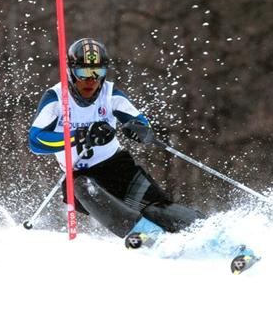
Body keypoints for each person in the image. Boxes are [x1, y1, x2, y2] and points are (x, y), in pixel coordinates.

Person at [28, 38, 204, 248]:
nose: (91, 81)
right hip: (79, 173)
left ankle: (206, 230)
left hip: (118, 168)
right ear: (70, 72)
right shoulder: (56, 98)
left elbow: (139, 121)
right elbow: (35, 141)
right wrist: (76, 137)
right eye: (83, 73)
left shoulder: (110, 94)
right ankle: (140, 233)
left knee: (155, 208)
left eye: (98, 73)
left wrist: (138, 130)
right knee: (81, 187)